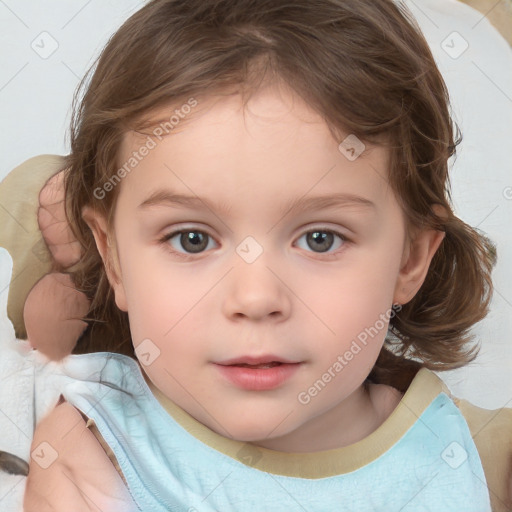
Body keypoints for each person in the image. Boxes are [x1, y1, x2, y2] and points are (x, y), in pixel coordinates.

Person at [16, 0, 511, 510]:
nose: (255, 298)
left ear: (408, 260)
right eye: (192, 239)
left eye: (321, 238)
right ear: (115, 259)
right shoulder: (91, 448)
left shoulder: (460, 451)